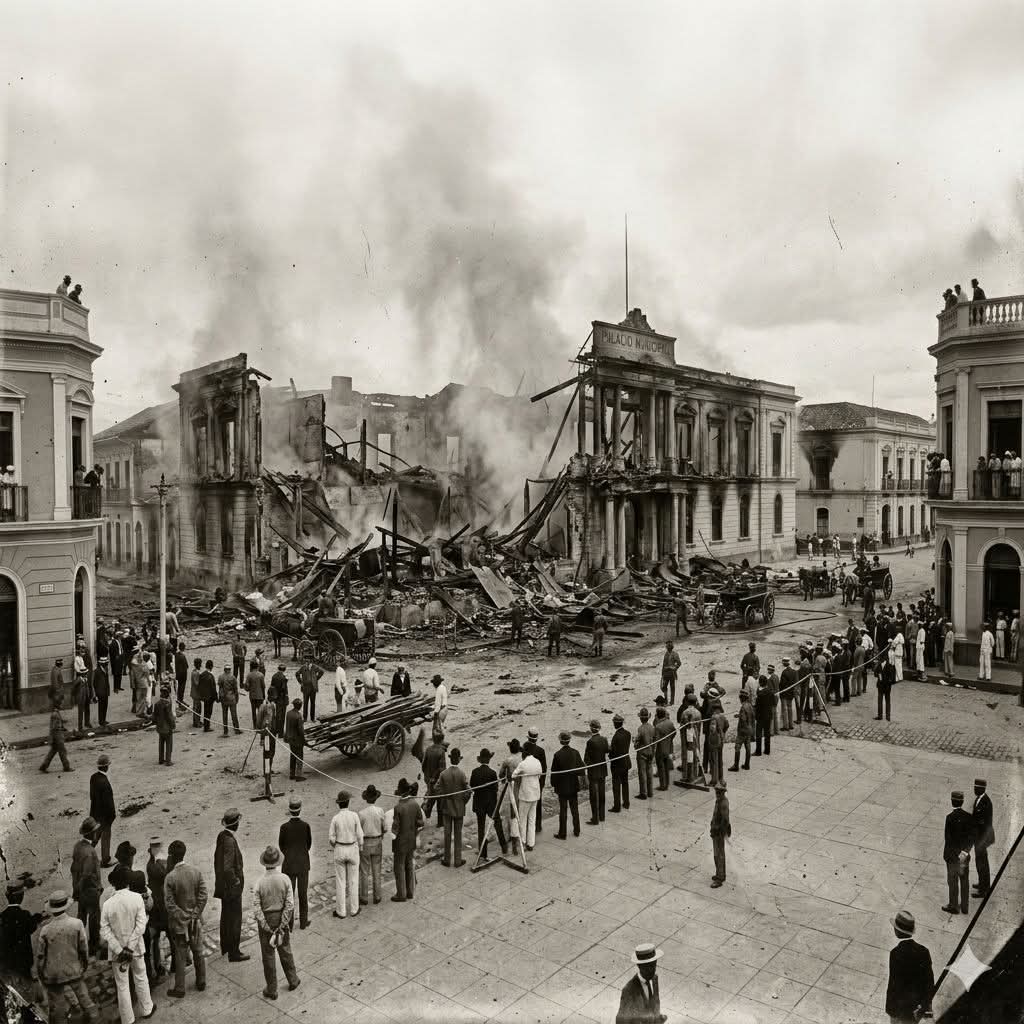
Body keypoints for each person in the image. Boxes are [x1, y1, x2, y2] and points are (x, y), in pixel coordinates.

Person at [35, 890, 99, 1024]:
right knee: (84, 997)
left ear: (51, 909)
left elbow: (41, 957)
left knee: (57, 1007)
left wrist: (41, 974)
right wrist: (84, 965)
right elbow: (83, 948)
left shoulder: (45, 930)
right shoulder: (77, 924)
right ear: (66, 906)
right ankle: (93, 1018)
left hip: (54, 974)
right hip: (73, 968)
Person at [101, 865, 154, 1024]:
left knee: (122, 985)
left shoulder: (108, 904)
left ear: (113, 884)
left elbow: (105, 930)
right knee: (141, 977)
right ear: (127, 882)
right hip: (135, 948)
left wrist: (119, 949)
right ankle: (147, 1009)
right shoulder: (136, 898)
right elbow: (141, 925)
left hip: (117, 953)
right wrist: (130, 947)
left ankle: (127, 1019)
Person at [253, 846, 300, 1000]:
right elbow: (290, 904)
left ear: (265, 864)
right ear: (278, 862)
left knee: (268, 955)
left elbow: (257, 908)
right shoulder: (285, 879)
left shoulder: (260, 883)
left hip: (266, 918)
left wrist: (265, 925)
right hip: (281, 917)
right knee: (285, 950)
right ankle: (293, 979)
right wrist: (283, 922)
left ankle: (272, 989)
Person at [163, 839, 207, 999]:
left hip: (180, 924)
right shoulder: (196, 872)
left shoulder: (170, 878)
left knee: (180, 955)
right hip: (195, 921)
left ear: (171, 856)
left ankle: (180, 987)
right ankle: (201, 980)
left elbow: (170, 904)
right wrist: (194, 914)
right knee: (198, 951)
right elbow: (203, 895)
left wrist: (184, 917)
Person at [885, 911, 933, 1024]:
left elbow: (893, 984)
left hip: (901, 1008)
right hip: (917, 1007)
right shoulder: (924, 951)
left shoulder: (895, 953)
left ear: (896, 931)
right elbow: (929, 981)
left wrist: (891, 1009)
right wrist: (925, 1005)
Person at [214, 807, 249, 961]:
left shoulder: (222, 836)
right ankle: (234, 952)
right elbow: (227, 868)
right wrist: (236, 881)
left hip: (223, 887)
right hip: (231, 889)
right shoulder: (229, 841)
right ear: (236, 824)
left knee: (226, 917)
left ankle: (226, 947)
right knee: (235, 919)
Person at [278, 798, 312, 929]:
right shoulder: (305, 826)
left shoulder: (284, 827)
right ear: (300, 810)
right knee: (303, 894)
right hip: (303, 864)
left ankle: (289, 924)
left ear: (289, 810)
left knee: (289, 896)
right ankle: (303, 922)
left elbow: (281, 845)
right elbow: (308, 844)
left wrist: (289, 854)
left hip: (289, 865)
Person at [329, 790, 363, 918]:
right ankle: (354, 909)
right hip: (352, 847)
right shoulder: (354, 816)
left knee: (340, 881)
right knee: (353, 880)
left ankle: (341, 911)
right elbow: (360, 835)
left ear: (339, 804)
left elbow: (331, 838)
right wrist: (360, 846)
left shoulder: (335, 818)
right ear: (348, 802)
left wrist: (336, 845)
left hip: (340, 847)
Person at [71, 816, 102, 953]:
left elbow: (74, 868)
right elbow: (87, 873)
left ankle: (79, 943)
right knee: (94, 918)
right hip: (90, 889)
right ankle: (94, 945)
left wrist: (76, 888)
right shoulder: (90, 852)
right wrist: (97, 887)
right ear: (92, 833)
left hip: (80, 889)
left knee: (81, 916)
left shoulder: (78, 846)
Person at [391, 779, 425, 901]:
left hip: (400, 842)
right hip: (411, 840)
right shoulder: (415, 804)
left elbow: (395, 828)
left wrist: (392, 834)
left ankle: (401, 894)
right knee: (409, 865)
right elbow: (420, 822)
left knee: (399, 866)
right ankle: (410, 891)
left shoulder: (398, 807)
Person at [616, 942, 667, 1024]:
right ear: (639, 966)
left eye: (653, 965)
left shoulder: (654, 979)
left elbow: (655, 1004)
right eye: (647, 967)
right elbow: (621, 1021)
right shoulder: (629, 990)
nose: (651, 970)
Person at [942, 790, 974, 915]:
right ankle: (965, 907)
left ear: (952, 801)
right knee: (964, 880)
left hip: (952, 858)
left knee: (953, 881)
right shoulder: (969, 817)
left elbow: (948, 839)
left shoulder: (949, 818)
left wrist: (954, 854)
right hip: (964, 857)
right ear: (962, 801)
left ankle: (954, 906)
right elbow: (972, 837)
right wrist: (964, 852)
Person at [470, 748, 505, 859]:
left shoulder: (475, 772)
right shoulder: (492, 773)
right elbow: (495, 789)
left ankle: (483, 852)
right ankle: (503, 846)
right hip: (491, 803)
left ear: (480, 760)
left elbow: (472, 787)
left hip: (479, 803)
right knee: (497, 822)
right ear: (489, 760)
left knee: (481, 828)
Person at [0, 882, 40, 979]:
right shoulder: (24, 914)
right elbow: (31, 928)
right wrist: (36, 918)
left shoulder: (2, 916)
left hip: (6, 960)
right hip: (23, 959)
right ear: (21, 897)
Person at [551, 730, 586, 839]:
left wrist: (554, 784)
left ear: (561, 741)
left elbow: (554, 773)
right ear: (569, 740)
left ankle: (562, 833)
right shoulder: (575, 752)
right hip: (573, 785)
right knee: (575, 809)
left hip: (562, 787)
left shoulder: (557, 755)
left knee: (563, 810)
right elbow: (581, 770)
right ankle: (577, 830)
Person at [356, 784, 387, 905]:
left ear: (366, 798)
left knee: (364, 871)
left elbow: (358, 831)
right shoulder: (380, 811)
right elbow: (384, 828)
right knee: (377, 870)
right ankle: (377, 896)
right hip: (377, 840)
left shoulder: (361, 813)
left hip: (365, 842)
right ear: (376, 798)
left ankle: (364, 897)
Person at [511, 745, 542, 851]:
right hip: (535, 793)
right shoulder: (537, 762)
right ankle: (531, 843)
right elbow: (539, 775)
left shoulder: (523, 764)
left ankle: (523, 842)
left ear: (524, 753)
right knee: (532, 819)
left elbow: (513, 775)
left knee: (523, 819)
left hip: (525, 795)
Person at [89, 754, 116, 866]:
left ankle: (86, 854)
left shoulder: (93, 777)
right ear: (106, 767)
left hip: (95, 812)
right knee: (106, 837)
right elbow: (109, 803)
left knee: (96, 835)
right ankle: (105, 860)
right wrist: (112, 816)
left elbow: (92, 796)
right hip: (105, 816)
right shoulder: (104, 782)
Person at [971, 777, 995, 898]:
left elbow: (984, 823)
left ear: (982, 789)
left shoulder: (986, 802)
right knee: (980, 861)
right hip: (979, 837)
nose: (974, 789)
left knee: (982, 863)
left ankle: (984, 890)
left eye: (976, 788)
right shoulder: (979, 799)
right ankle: (982, 884)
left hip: (982, 838)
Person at [583, 718, 610, 823]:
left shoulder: (590, 742)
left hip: (593, 772)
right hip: (602, 770)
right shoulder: (604, 739)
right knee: (602, 794)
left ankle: (595, 818)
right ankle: (602, 816)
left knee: (594, 795)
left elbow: (586, 759)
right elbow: (608, 750)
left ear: (591, 729)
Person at [40, 694, 72, 773]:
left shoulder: (56, 713)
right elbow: (54, 727)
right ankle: (66, 767)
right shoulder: (55, 714)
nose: (62, 705)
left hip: (56, 735)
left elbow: (56, 725)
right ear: (58, 705)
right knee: (62, 751)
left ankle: (44, 766)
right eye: (61, 704)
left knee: (53, 751)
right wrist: (60, 729)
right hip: (57, 736)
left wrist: (62, 725)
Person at [709, 780, 731, 888]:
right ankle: (720, 874)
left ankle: (720, 877)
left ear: (723, 792)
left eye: (719, 791)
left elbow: (725, 820)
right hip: (715, 830)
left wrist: (718, 830)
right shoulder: (719, 800)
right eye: (716, 790)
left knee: (719, 855)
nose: (717, 793)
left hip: (719, 832)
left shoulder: (723, 803)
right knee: (717, 854)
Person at [609, 714, 632, 810]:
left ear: (615, 724)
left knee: (616, 785)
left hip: (617, 764)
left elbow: (613, 752)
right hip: (625, 761)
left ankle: (617, 806)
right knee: (625, 783)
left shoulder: (616, 737)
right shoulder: (628, 733)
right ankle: (626, 803)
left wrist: (610, 755)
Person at [729, 689, 754, 772]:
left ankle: (736, 765)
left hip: (743, 730)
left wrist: (741, 729)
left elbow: (743, 719)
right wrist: (739, 715)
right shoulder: (750, 705)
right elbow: (752, 716)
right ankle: (747, 764)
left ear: (742, 698)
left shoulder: (743, 707)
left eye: (740, 698)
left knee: (737, 746)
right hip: (749, 729)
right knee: (748, 746)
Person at [653, 706, 675, 791]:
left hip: (660, 750)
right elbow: (674, 732)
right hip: (668, 747)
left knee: (661, 768)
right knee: (666, 767)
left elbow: (656, 740)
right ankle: (667, 783)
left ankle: (663, 785)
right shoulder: (669, 723)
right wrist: (669, 740)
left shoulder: (658, 726)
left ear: (658, 715)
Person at [154, 682, 176, 765]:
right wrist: (173, 725)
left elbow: (154, 716)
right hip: (167, 728)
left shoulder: (157, 704)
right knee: (169, 744)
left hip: (160, 727)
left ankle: (161, 759)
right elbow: (169, 717)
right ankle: (168, 760)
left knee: (161, 743)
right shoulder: (167, 704)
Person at [285, 697, 306, 781]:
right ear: (300, 706)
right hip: (297, 739)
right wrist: (304, 740)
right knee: (299, 756)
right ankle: (299, 775)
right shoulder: (298, 716)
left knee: (292, 756)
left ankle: (292, 774)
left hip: (290, 738)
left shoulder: (288, 713)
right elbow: (301, 730)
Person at [753, 676, 774, 756]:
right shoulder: (770, 692)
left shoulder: (759, 694)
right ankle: (767, 750)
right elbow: (773, 703)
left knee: (758, 733)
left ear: (760, 683)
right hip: (768, 715)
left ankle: (758, 751)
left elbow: (757, 706)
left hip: (760, 716)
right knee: (767, 733)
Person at [297, 657, 322, 722]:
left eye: (308, 662)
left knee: (312, 703)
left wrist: (316, 679)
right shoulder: (303, 667)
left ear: (311, 662)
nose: (307, 663)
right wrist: (300, 682)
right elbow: (297, 674)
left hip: (313, 688)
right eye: (306, 662)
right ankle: (305, 718)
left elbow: (321, 672)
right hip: (305, 688)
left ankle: (312, 718)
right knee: (305, 703)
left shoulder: (315, 667)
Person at [243, 658, 266, 728]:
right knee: (260, 711)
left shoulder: (249, 675)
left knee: (253, 711)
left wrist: (248, 688)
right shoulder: (261, 675)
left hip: (252, 696)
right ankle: (260, 725)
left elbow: (246, 687)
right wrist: (264, 695)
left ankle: (254, 725)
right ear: (257, 667)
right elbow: (263, 686)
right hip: (260, 696)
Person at [778, 657, 797, 730]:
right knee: (790, 709)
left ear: (785, 663)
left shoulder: (784, 672)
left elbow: (782, 684)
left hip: (784, 693)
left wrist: (780, 690)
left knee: (784, 710)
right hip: (791, 693)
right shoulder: (794, 672)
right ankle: (791, 724)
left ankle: (785, 726)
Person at [875, 653, 895, 722]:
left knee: (887, 701)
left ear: (883, 659)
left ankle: (888, 716)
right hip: (880, 686)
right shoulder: (879, 665)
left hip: (887, 687)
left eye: (880, 658)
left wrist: (887, 682)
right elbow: (875, 673)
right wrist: (878, 675)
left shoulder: (889, 666)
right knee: (880, 701)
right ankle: (880, 715)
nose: (879, 660)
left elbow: (892, 678)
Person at [431, 672, 448, 740]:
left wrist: (435, 712)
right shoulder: (443, 687)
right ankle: (439, 738)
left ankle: (439, 739)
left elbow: (438, 703)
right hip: (445, 708)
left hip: (441, 710)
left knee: (438, 726)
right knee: (441, 724)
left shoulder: (438, 690)